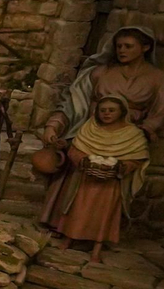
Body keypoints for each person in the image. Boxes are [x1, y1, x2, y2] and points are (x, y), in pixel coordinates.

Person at [39, 95, 149, 264]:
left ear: (121, 112)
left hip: (110, 184)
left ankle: (97, 248)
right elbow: (75, 149)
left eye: (111, 110)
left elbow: (137, 158)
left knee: (104, 215)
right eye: (103, 110)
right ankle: (69, 239)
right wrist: (84, 161)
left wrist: (119, 166)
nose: (106, 114)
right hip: (85, 180)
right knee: (77, 209)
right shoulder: (89, 128)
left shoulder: (132, 134)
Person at [39, 26, 164, 149]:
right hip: (90, 133)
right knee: (47, 162)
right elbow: (73, 102)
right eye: (119, 46)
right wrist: (53, 126)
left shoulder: (157, 77)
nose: (122, 50)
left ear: (145, 47)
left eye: (128, 46)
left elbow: (160, 111)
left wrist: (144, 131)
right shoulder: (100, 72)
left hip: (126, 138)